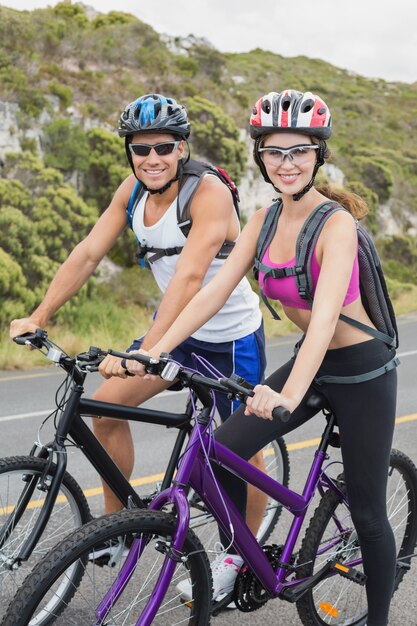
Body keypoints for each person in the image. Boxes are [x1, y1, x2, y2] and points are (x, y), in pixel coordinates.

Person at [125, 90, 398, 625]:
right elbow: (210, 292)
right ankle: (241, 557)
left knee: (367, 513)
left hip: (362, 369)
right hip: (311, 362)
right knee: (219, 451)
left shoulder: (336, 224)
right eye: (275, 152)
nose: (287, 163)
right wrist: (151, 350)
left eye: (299, 151)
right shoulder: (264, 221)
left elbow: (323, 318)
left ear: (319, 155)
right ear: (260, 158)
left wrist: (289, 392)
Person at [9, 93, 268, 553]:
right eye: (141, 149)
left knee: (237, 454)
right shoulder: (130, 193)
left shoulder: (207, 193)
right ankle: (117, 527)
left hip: (229, 337)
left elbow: (190, 278)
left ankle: (242, 556)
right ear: (129, 151)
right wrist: (39, 315)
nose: (152, 158)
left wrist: (147, 350)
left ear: (182, 149)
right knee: (106, 412)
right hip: (175, 332)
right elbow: (89, 252)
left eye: (164, 147)